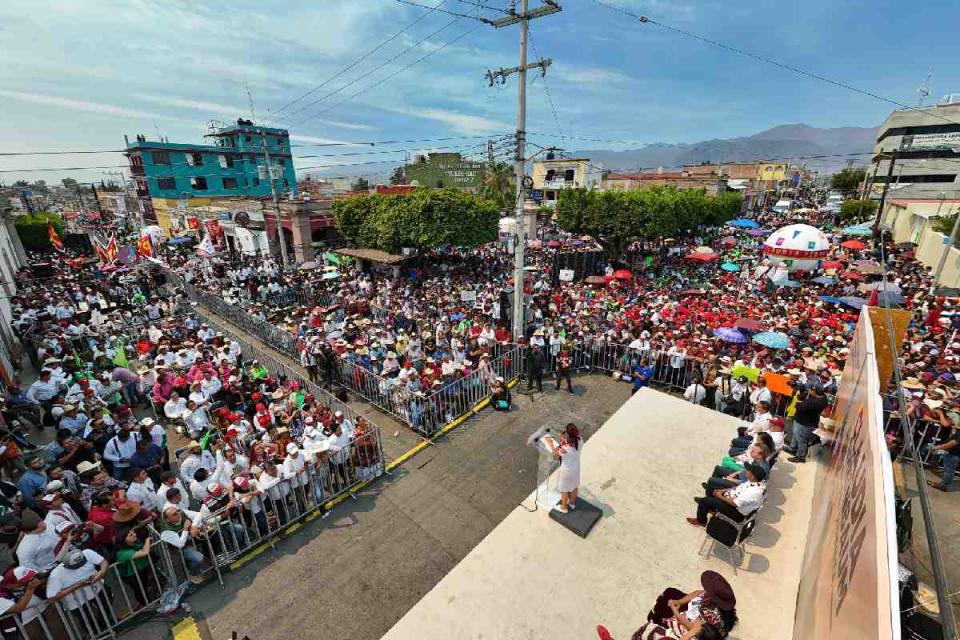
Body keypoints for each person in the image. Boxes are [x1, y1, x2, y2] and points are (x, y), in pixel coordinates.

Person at [687, 462, 767, 528]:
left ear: (753, 476)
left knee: (705, 501)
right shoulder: (755, 481)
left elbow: (735, 503)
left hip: (736, 512)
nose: (746, 470)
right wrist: (722, 490)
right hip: (734, 498)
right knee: (712, 487)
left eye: (748, 470)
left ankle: (701, 521)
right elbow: (738, 488)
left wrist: (720, 496)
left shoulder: (754, 492)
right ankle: (711, 508)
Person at [786, 385, 828, 463]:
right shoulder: (824, 399)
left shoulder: (814, 402)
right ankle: (793, 448)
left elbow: (799, 407)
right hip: (803, 421)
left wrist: (799, 401)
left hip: (804, 423)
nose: (808, 390)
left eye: (810, 389)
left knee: (801, 440)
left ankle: (800, 456)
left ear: (814, 392)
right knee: (796, 436)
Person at [547, 423, 581, 514]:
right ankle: (572, 503)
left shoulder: (565, 448)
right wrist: (562, 438)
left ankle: (563, 507)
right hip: (576, 469)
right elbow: (570, 442)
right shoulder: (579, 440)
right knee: (574, 487)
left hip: (566, 471)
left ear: (568, 434)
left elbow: (556, 454)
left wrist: (550, 444)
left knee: (564, 490)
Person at [924, 425, 960, 492]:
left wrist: (937, 447)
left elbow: (952, 443)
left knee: (949, 471)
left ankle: (943, 485)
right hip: (952, 453)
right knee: (948, 470)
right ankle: (943, 483)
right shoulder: (957, 432)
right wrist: (953, 434)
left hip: (954, 454)